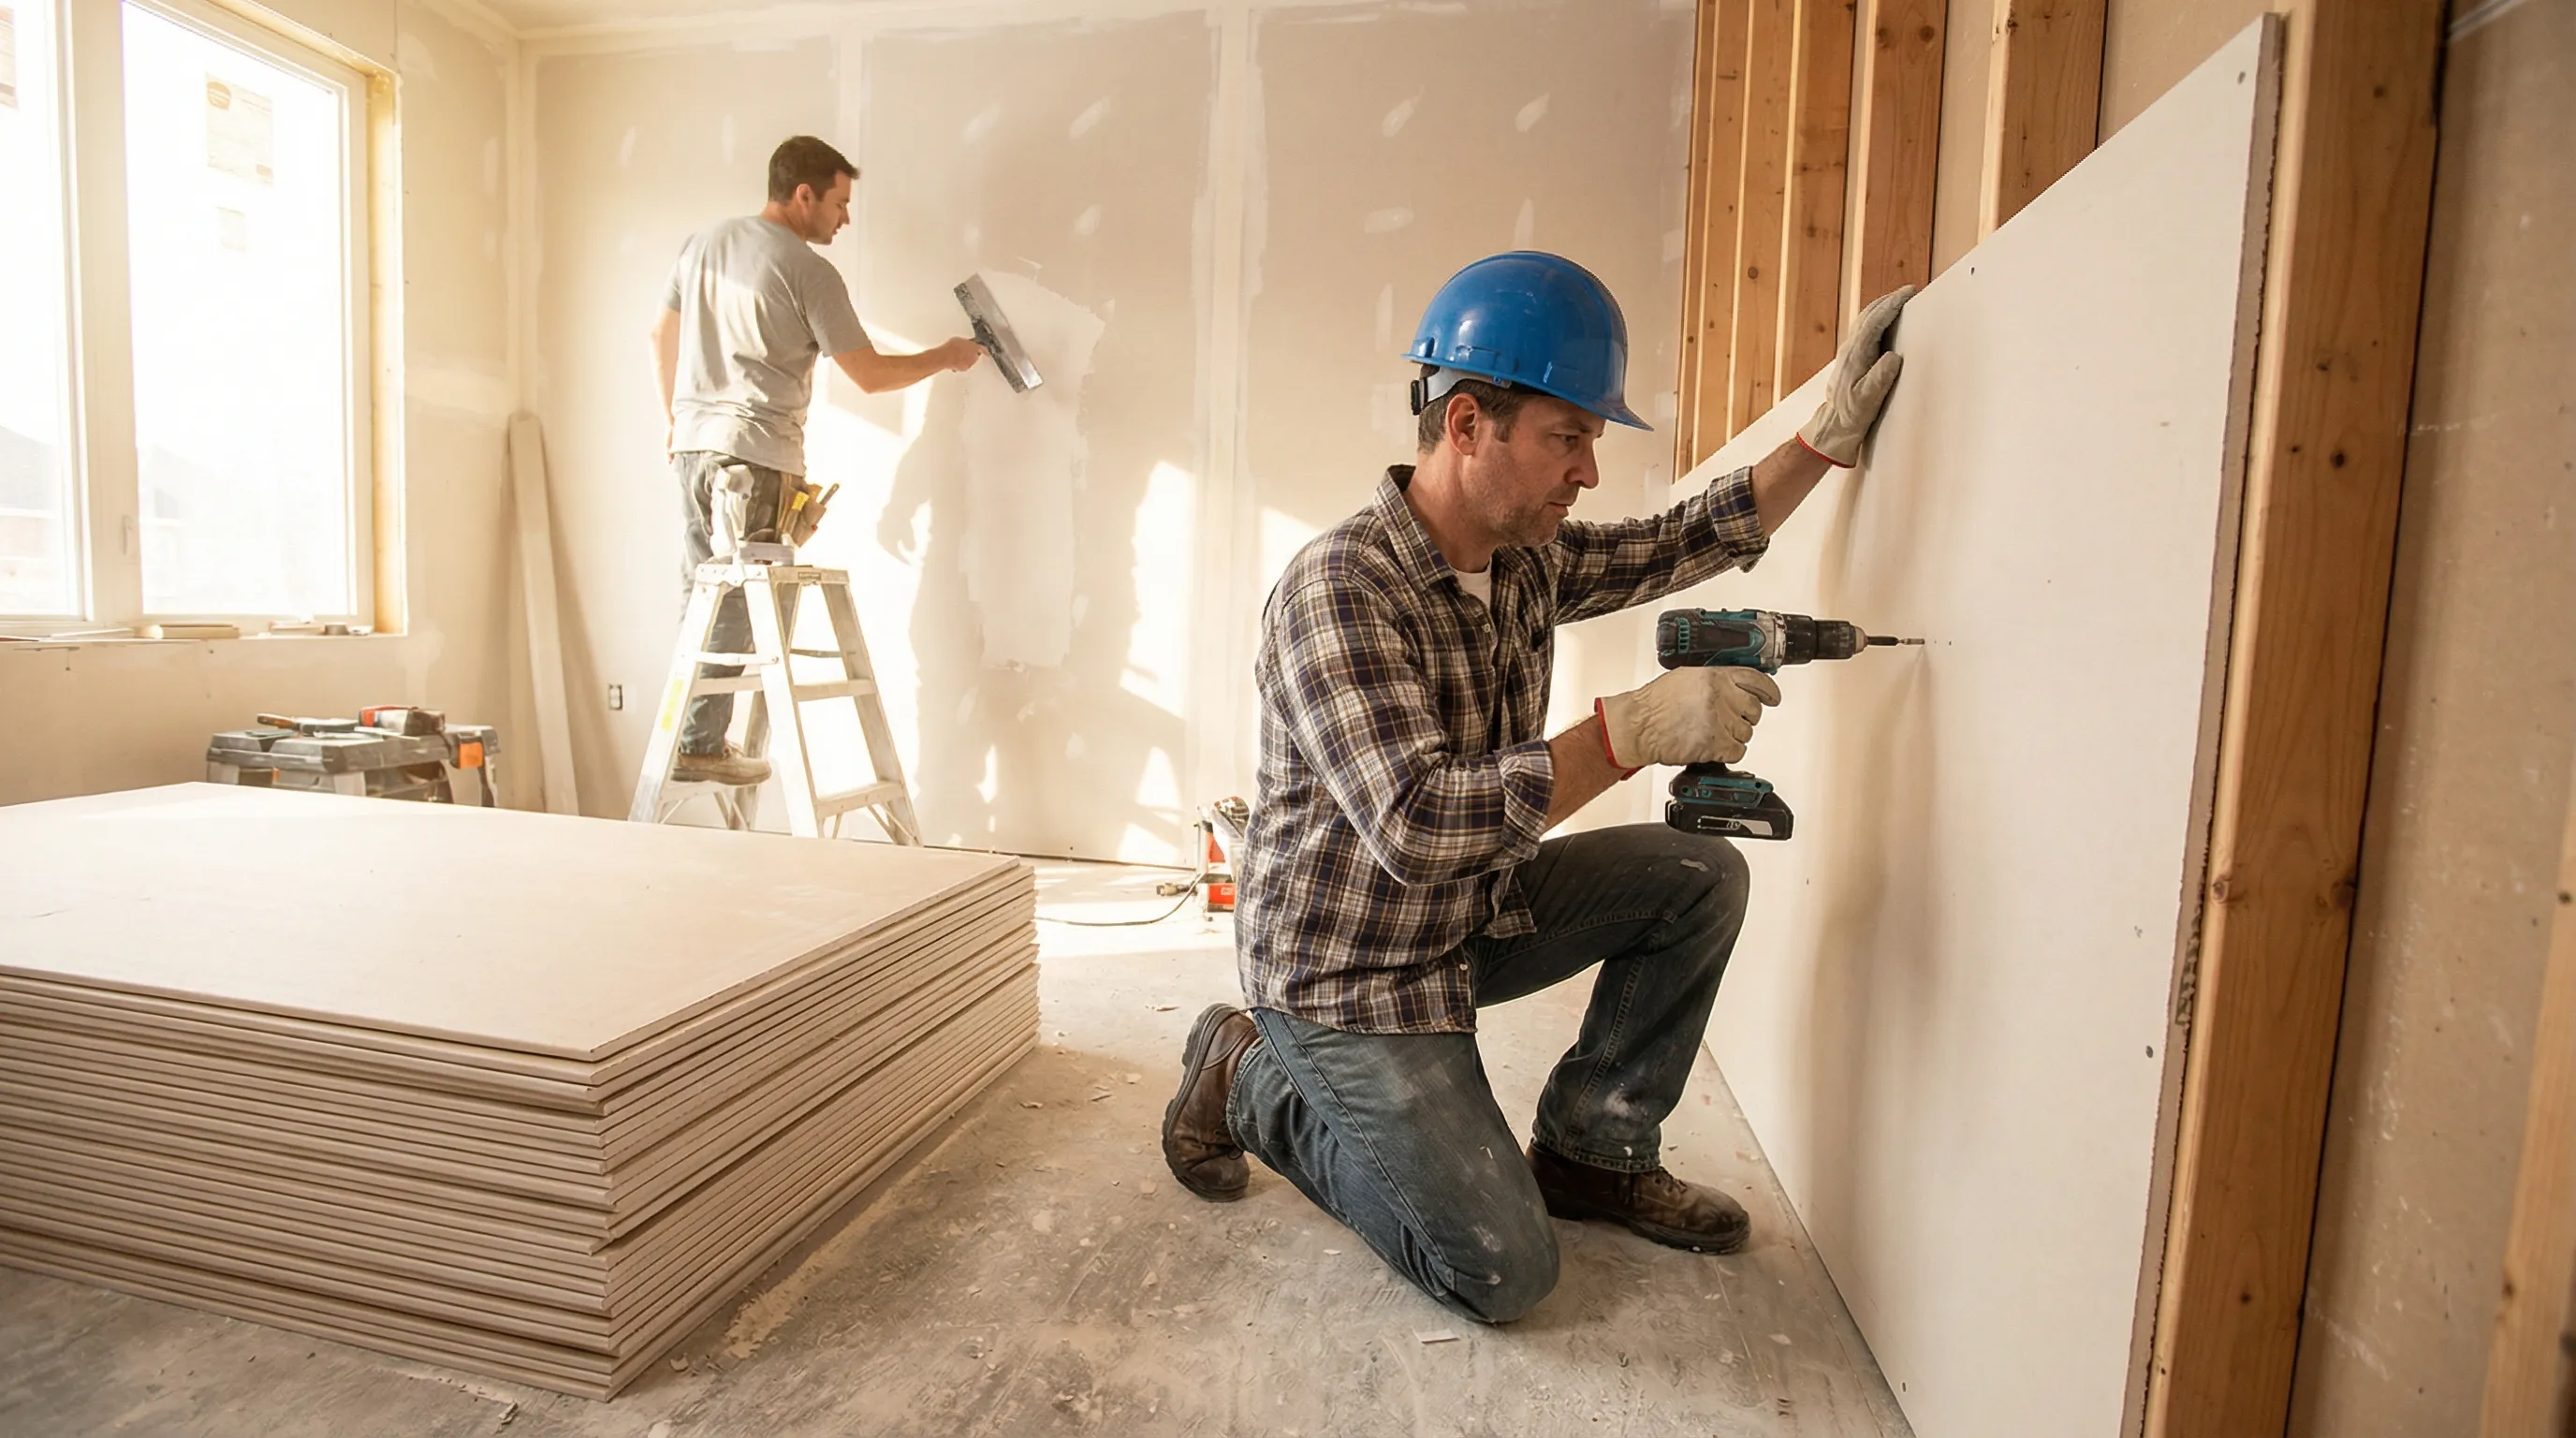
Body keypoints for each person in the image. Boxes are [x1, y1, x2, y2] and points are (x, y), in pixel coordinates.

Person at [1160, 249, 1912, 1322]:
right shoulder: (1340, 590)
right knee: (1499, 1269)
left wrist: (1822, 441)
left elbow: (1674, 542)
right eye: (1569, 438)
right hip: (1350, 974)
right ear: (1469, 424)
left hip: (1473, 918)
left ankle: (1592, 1152)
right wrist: (1629, 732)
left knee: (1697, 875)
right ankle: (1247, 1076)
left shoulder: (1522, 560)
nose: (1588, 472)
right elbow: (1416, 826)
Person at [649, 134, 985, 785]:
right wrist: (946, 356)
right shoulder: (807, 270)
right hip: (756, 458)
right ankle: (698, 746)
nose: (845, 218)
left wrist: (673, 419)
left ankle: (692, 736)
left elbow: (659, 333)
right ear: (804, 195)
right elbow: (870, 376)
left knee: (701, 596)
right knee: (744, 607)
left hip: (693, 449)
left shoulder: (704, 244)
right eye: (839, 202)